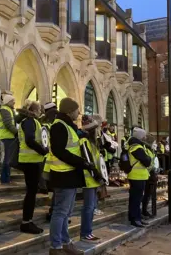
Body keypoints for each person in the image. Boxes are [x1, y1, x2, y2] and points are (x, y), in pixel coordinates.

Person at [46, 97, 93, 255]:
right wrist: (80, 162)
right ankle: (56, 246)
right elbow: (60, 151)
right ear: (68, 111)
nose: (78, 113)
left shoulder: (67, 125)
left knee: (66, 212)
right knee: (60, 212)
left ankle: (65, 242)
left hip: (70, 175)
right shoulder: (59, 126)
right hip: (63, 175)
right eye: (76, 110)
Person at [16, 100, 49, 234]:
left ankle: (27, 221)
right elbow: (30, 140)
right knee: (31, 193)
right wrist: (43, 150)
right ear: (33, 110)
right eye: (39, 109)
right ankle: (26, 222)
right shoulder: (29, 121)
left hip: (32, 160)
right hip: (30, 161)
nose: (41, 112)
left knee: (32, 192)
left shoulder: (30, 121)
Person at [78, 115, 105, 243]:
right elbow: (88, 161)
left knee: (91, 207)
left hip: (93, 179)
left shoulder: (93, 143)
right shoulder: (84, 141)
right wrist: (98, 176)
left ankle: (88, 231)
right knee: (88, 207)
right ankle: (85, 233)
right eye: (97, 130)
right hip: (88, 179)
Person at [127, 127, 151, 228]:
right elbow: (146, 161)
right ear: (140, 137)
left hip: (138, 176)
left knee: (136, 198)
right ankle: (135, 219)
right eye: (144, 135)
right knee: (136, 199)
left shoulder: (136, 146)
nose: (145, 137)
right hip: (137, 176)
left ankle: (137, 217)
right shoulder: (137, 148)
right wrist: (148, 158)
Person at [0, 94, 18, 184]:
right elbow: (8, 124)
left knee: (8, 159)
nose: (14, 102)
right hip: (6, 137)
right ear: (8, 101)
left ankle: (7, 178)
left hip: (9, 137)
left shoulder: (9, 109)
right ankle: (5, 179)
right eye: (12, 101)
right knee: (6, 159)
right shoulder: (4, 109)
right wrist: (17, 133)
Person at [142, 133, 157, 219]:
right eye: (153, 142)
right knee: (146, 193)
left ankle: (145, 209)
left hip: (150, 173)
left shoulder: (151, 150)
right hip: (146, 173)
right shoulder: (145, 149)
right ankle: (143, 210)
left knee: (148, 194)